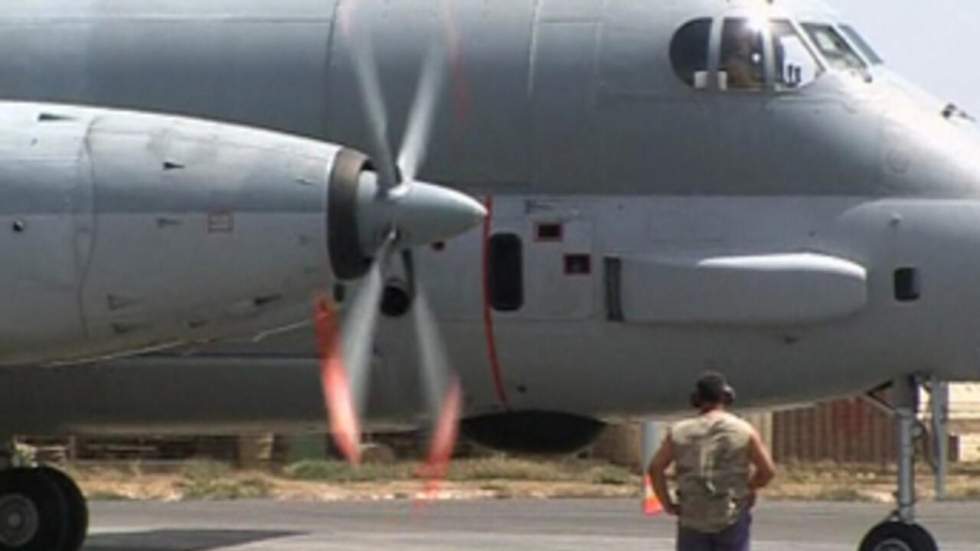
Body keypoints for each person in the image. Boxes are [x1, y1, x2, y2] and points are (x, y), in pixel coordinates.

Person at [647, 372, 776, 551]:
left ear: (696, 399)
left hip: (692, 515)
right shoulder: (743, 430)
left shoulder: (679, 431)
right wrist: (749, 488)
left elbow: (655, 468)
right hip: (730, 514)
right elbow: (768, 471)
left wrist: (667, 503)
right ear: (726, 397)